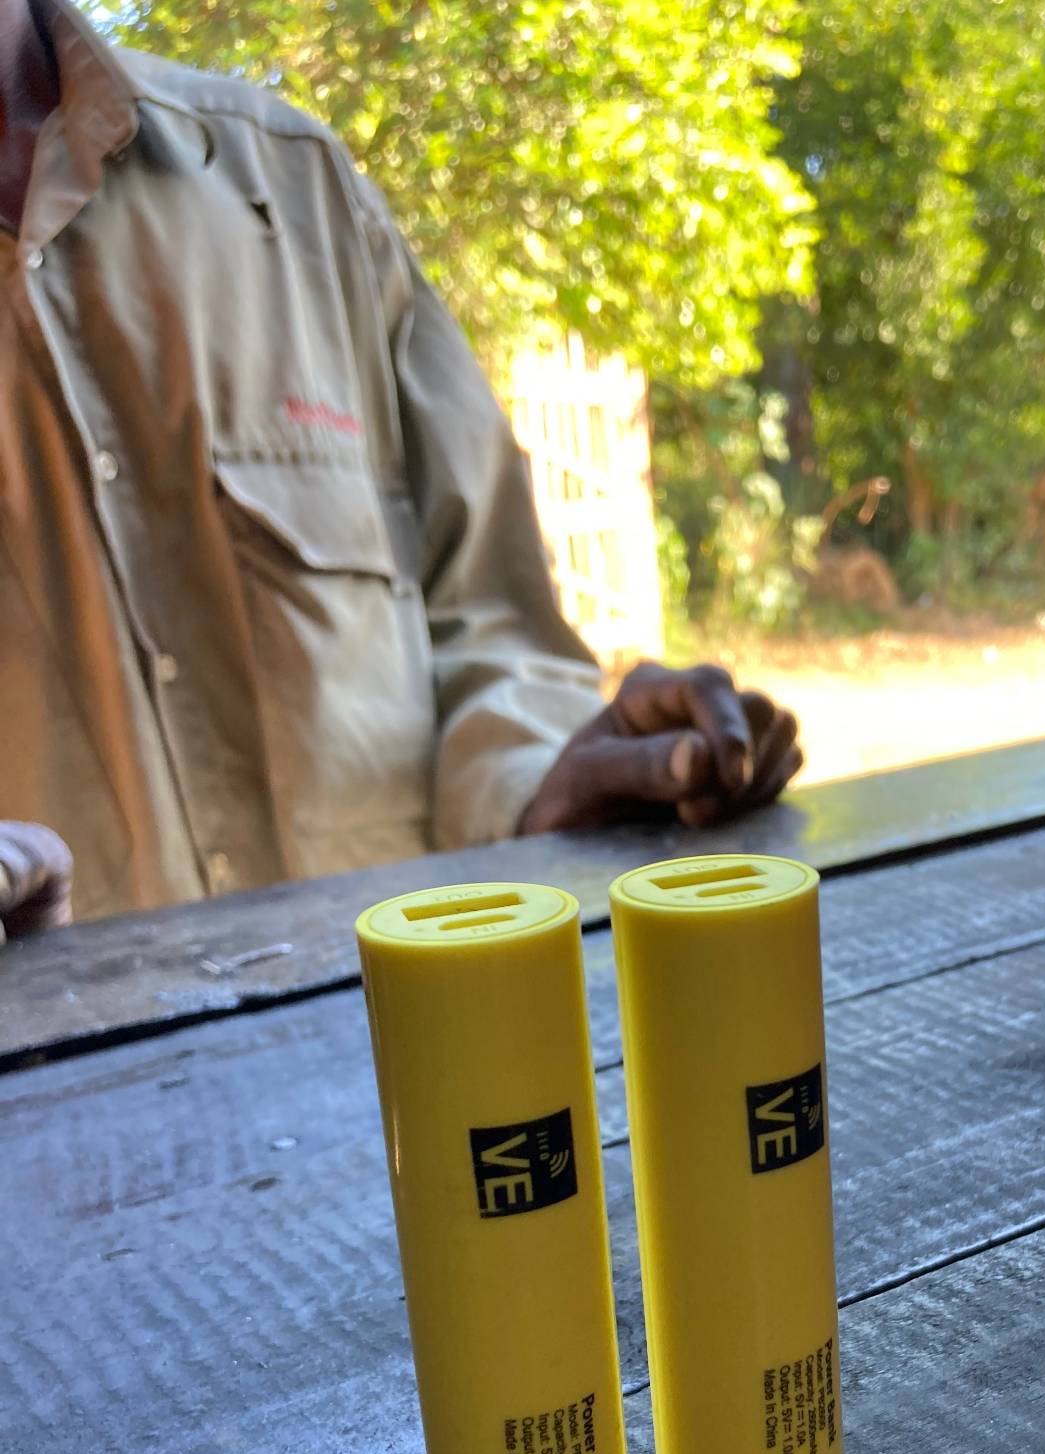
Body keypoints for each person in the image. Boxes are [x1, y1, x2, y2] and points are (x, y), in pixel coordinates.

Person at [0, 0, 800, 931]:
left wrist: (538, 789)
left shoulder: (292, 186)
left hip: (432, 1044)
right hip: (69, 1076)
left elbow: (485, 612)